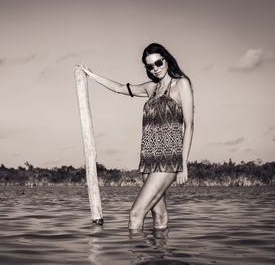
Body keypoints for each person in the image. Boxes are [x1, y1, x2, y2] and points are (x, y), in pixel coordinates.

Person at [75, 43, 194, 230]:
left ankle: (138, 256)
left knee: (135, 213)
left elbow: (189, 125)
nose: (155, 68)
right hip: (148, 159)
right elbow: (120, 88)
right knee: (159, 214)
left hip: (169, 158)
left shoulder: (181, 84)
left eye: (158, 63)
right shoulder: (150, 88)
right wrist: (92, 75)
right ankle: (158, 257)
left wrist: (183, 164)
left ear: (166, 59)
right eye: (150, 66)